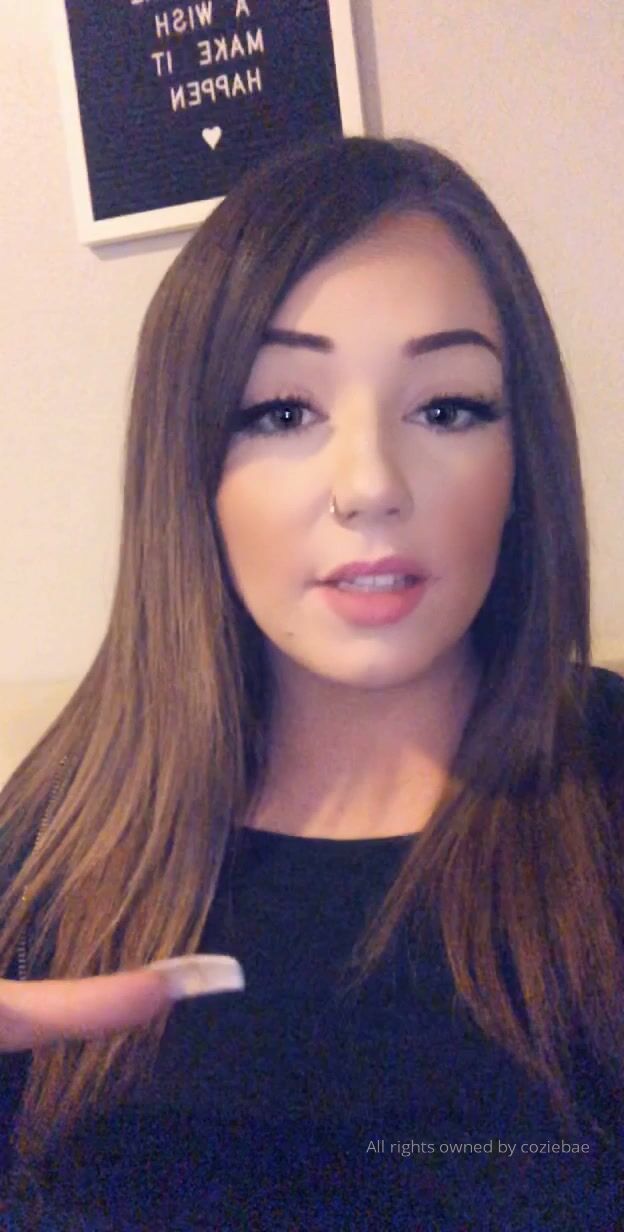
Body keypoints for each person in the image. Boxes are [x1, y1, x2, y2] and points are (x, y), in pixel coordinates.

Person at [0, 133, 622, 1230]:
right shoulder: (60, 836)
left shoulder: (605, 783)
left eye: (447, 407)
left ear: (523, 459)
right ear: (190, 472)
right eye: (283, 413)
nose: (371, 485)